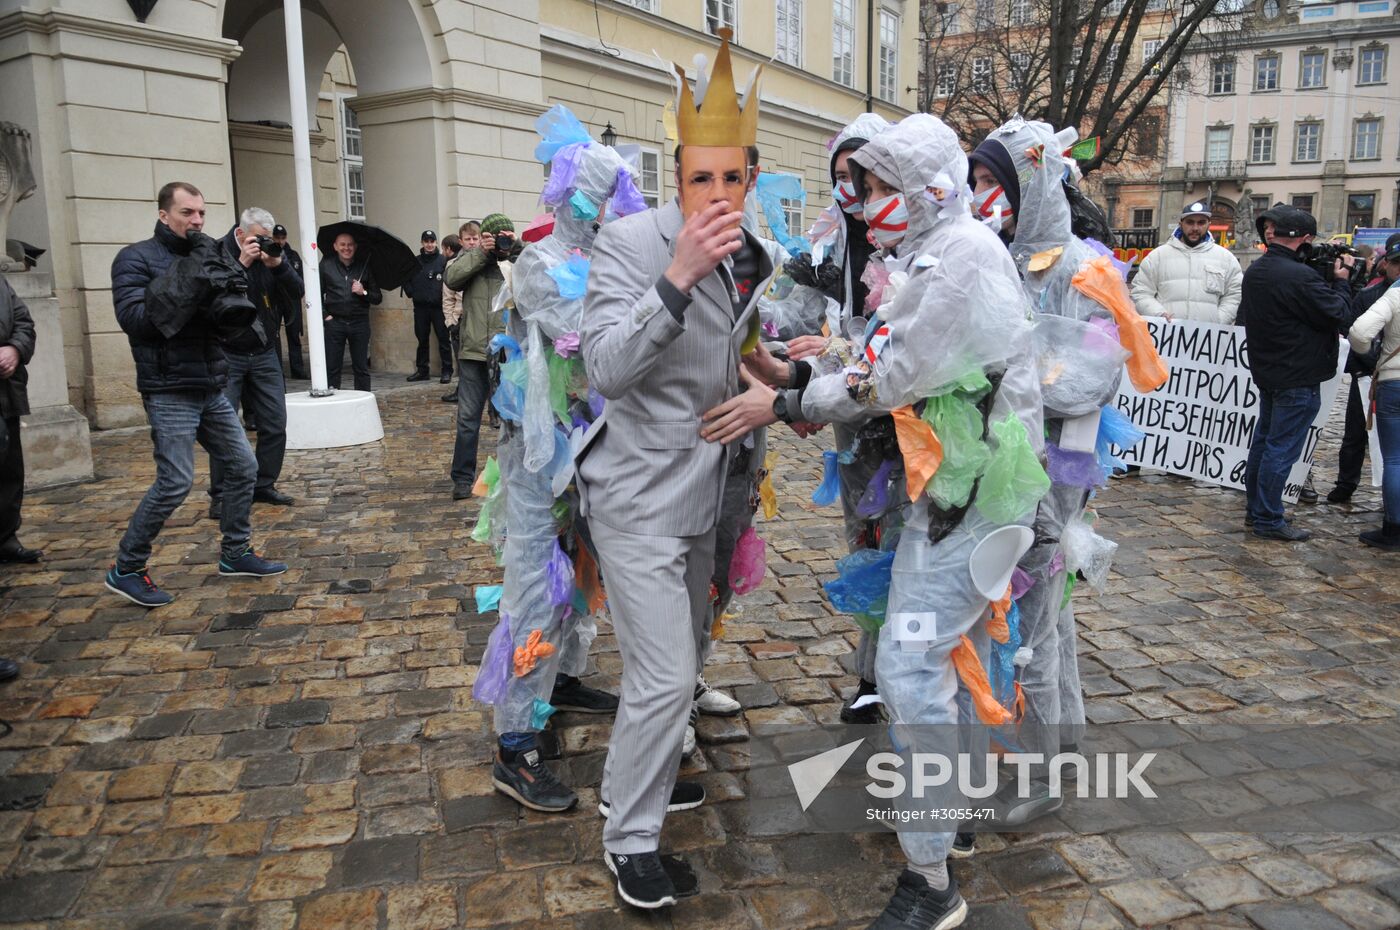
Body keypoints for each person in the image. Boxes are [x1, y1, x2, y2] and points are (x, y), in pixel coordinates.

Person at [715, 112, 1048, 930]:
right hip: (952, 495)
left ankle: (931, 881)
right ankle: (951, 820)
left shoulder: (961, 256)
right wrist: (803, 363)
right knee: (938, 656)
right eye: (862, 189)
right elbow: (874, 351)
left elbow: (889, 376)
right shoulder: (929, 254)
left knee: (908, 669)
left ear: (928, 188)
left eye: (879, 188)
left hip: (973, 499)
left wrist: (785, 398)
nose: (865, 205)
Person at [577, 29, 772, 909]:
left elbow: (727, 353)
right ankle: (629, 836)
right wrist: (677, 279)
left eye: (733, 179)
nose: (718, 195)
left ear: (751, 179)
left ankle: (646, 779)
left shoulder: (755, 254)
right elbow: (606, 371)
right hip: (636, 494)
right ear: (678, 176)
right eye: (703, 178)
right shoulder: (629, 244)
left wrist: (770, 376)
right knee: (660, 677)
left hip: (710, 493)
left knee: (684, 663)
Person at [970, 115, 1166, 836]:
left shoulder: (1085, 270)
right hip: (1009, 464)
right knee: (1040, 615)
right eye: (978, 181)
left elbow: (1086, 383)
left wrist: (1002, 377)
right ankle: (1064, 732)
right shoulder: (996, 257)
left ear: (1034, 183)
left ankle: (1042, 770)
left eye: (996, 181)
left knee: (1037, 619)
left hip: (1053, 471)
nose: (983, 195)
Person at [473, 105, 640, 815]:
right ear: (581, 197)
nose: (616, 211)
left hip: (591, 452)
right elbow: (590, 344)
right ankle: (516, 745)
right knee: (536, 590)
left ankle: (563, 679)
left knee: (580, 577)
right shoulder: (543, 263)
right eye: (607, 198)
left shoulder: (608, 258)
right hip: (541, 458)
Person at [105, 181, 286, 608]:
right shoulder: (135, 259)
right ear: (164, 214)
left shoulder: (208, 253)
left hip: (210, 382)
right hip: (169, 387)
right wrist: (199, 275)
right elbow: (137, 320)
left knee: (243, 467)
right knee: (175, 482)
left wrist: (231, 276)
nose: (198, 221)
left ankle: (235, 552)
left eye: (202, 213)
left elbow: (227, 312)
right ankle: (127, 567)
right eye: (188, 213)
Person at [786, 112, 891, 726]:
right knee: (866, 539)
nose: (851, 190)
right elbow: (807, 326)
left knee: (907, 541)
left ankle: (902, 674)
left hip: (905, 418)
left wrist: (809, 385)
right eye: (841, 178)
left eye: (862, 177)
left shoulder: (907, 240)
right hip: (855, 415)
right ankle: (872, 674)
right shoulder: (839, 243)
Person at [1240, 204, 1355, 541]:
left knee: (1263, 444)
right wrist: (1342, 282)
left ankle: (1256, 512)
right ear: (1304, 239)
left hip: (1270, 372)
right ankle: (1269, 520)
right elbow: (1339, 313)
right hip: (1298, 375)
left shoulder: (1257, 270)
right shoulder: (1299, 275)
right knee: (1280, 449)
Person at [207, 207, 301, 519]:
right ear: (240, 234)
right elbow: (212, 294)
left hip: (264, 351)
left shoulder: (270, 256)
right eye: (257, 239)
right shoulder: (218, 253)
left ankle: (264, 484)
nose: (263, 244)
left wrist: (278, 266)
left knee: (275, 421)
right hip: (226, 352)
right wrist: (241, 264)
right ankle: (221, 494)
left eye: (267, 239)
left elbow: (298, 290)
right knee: (224, 426)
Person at [444, 214, 517, 499]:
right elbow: (452, 278)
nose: (496, 241)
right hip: (474, 351)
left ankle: (515, 475)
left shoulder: (515, 259)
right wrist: (482, 253)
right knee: (467, 419)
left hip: (508, 351)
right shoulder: (470, 260)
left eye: (502, 235)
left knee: (513, 419)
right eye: (492, 236)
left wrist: (513, 247)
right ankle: (462, 478)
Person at [1330, 243, 1400, 503]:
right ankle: (1346, 483)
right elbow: (1352, 329)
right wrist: (1372, 362)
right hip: (1366, 374)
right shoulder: (1370, 294)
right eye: (1396, 263)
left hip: (1390, 376)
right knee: (1355, 434)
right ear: (1386, 264)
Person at [1346, 247, 1400, 549]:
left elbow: (1359, 331)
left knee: (1394, 459)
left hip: (1395, 381)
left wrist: (1372, 356)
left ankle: (1394, 529)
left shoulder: (1394, 294)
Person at [1131, 201, 1243, 324]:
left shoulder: (1226, 258)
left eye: (1201, 222)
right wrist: (1158, 315)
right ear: (1181, 224)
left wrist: (1219, 321)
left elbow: (1234, 295)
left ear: (1208, 224)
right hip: (1167, 337)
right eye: (1190, 222)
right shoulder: (1157, 257)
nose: (1195, 228)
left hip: (1208, 338)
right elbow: (1141, 292)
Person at [0, 273, 38, 564]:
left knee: (10, 468)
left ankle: (5, 538)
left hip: (6, 392)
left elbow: (23, 322)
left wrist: (15, 349)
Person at [320, 232, 381, 391]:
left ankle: (362, 400)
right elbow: (315, 294)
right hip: (335, 323)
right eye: (342, 244)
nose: (346, 248)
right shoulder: (326, 265)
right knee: (332, 367)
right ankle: (332, 401)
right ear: (335, 246)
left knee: (361, 367)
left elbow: (377, 297)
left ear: (355, 247)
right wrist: (326, 316)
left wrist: (363, 292)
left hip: (359, 323)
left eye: (350, 244)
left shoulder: (364, 266)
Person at [406, 230, 452, 384]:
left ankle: (447, 371)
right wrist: (411, 292)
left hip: (439, 308)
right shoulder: (415, 261)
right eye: (426, 241)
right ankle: (422, 370)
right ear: (422, 243)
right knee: (422, 339)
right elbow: (405, 277)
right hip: (420, 308)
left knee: (444, 340)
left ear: (436, 243)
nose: (429, 244)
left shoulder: (442, 260)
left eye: (432, 241)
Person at [271, 224, 307, 379]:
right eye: (277, 238)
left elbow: (300, 279)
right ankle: (277, 370)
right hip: (275, 299)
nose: (280, 241)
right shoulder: (269, 253)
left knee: (294, 335)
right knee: (274, 335)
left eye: (282, 238)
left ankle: (297, 370)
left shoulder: (293, 255)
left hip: (291, 300)